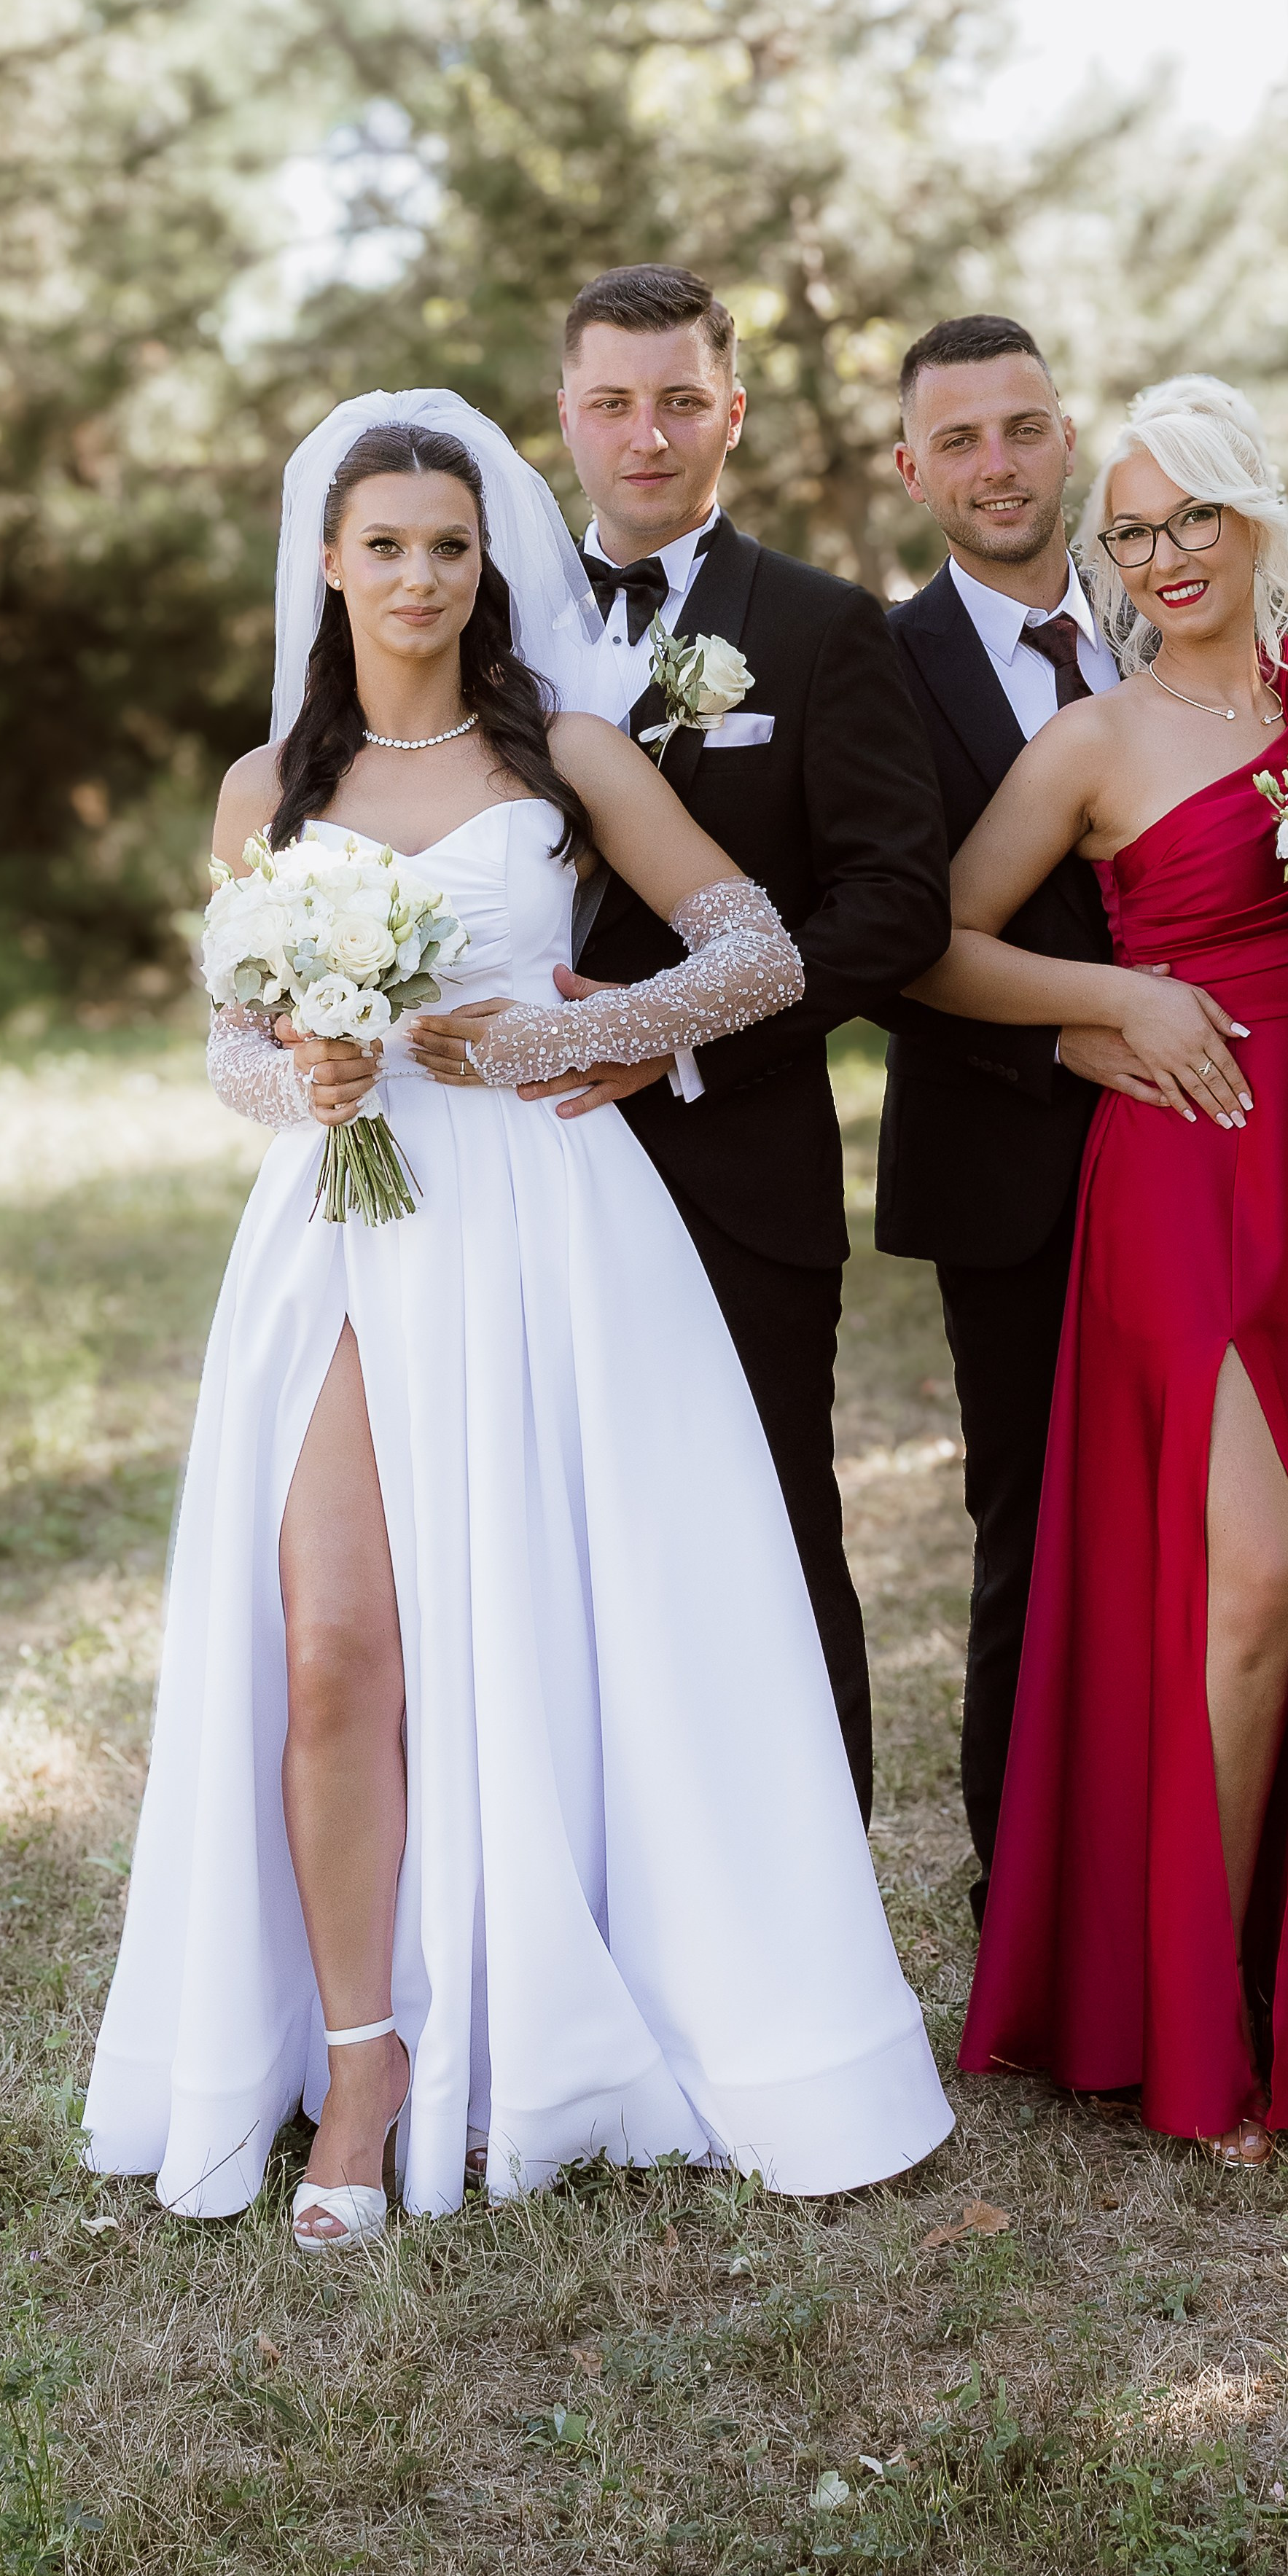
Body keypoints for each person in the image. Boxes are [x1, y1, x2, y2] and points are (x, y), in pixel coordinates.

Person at [81, 391, 953, 2246]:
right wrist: (291, 1072)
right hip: (339, 1222)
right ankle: (363, 2054)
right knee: (330, 1645)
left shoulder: (561, 750)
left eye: (450, 547)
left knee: (542, 1628)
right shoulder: (268, 792)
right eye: (383, 543)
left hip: (546, 1222)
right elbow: (227, 1044)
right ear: (327, 562)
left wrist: (576, 1035)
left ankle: (538, 2007)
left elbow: (762, 954)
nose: (417, 575)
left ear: (492, 569)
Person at [911, 374, 1288, 2163]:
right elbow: (937, 944)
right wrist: (1110, 1003)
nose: (1167, 555)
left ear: (1257, 521)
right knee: (1255, 1571)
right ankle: (1198, 2015)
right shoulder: (1091, 744)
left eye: (1195, 519)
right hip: (1172, 1172)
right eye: (1135, 529)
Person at [542, 264, 949, 1822]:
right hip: (517, 1162)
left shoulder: (824, 628)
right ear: (566, 412)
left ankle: (812, 1921)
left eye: (681, 402)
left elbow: (892, 907)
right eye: (612, 402)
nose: (647, 437)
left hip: (740, 1162)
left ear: (734, 411)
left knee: (770, 1532)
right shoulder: (478, 615)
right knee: (550, 1552)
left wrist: (678, 1040)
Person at [880, 316, 1245, 1929]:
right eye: (958, 441)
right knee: (1036, 1528)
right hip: (1010, 1152)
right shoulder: (869, 668)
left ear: (1069, 437)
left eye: (1023, 429)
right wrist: (1082, 1030)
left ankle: (1219, 1849)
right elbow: (873, 938)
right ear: (912, 470)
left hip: (1215, 1148)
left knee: (1231, 1514)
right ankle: (1033, 1895)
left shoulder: (1171, 621)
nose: (997, 465)